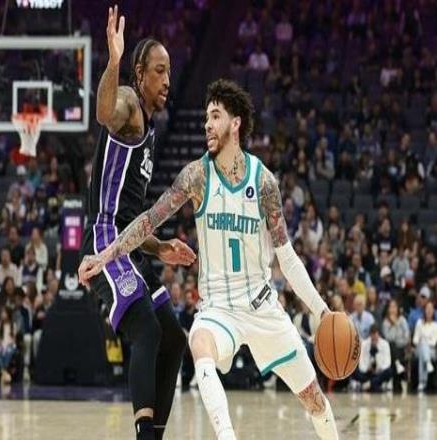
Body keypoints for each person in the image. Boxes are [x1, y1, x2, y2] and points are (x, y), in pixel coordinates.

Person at [80, 79, 338, 439]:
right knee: (199, 342)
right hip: (219, 309)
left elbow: (289, 259)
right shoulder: (197, 175)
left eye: (215, 116)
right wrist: (104, 255)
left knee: (315, 401)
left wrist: (322, 311)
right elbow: (148, 221)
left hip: (262, 306)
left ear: (235, 123)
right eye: (206, 117)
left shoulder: (264, 183)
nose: (207, 124)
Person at [78, 7, 195, 439]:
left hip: (128, 245)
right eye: (159, 71)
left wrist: (160, 247)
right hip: (103, 242)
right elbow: (103, 110)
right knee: (146, 329)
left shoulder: (150, 132)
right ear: (140, 73)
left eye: (170, 72)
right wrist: (113, 60)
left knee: (174, 337)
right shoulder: (129, 105)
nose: (167, 80)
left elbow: (134, 222)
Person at [352, 324, 392, 392]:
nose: (374, 338)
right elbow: (361, 361)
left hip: (379, 372)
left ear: (378, 334)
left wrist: (379, 368)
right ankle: (375, 385)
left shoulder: (385, 344)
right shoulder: (364, 344)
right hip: (367, 373)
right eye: (372, 335)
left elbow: (388, 362)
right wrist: (367, 368)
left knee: (389, 372)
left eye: (375, 335)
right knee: (354, 372)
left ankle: (369, 384)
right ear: (370, 335)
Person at [413, 301, 437, 392]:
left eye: (431, 309)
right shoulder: (419, 323)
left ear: (433, 311)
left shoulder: (435, 326)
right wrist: (424, 341)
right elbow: (415, 340)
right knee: (422, 347)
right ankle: (428, 363)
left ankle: (422, 382)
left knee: (423, 354)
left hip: (431, 351)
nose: (429, 311)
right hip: (418, 349)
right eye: (427, 308)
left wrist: (423, 340)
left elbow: (434, 342)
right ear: (425, 310)